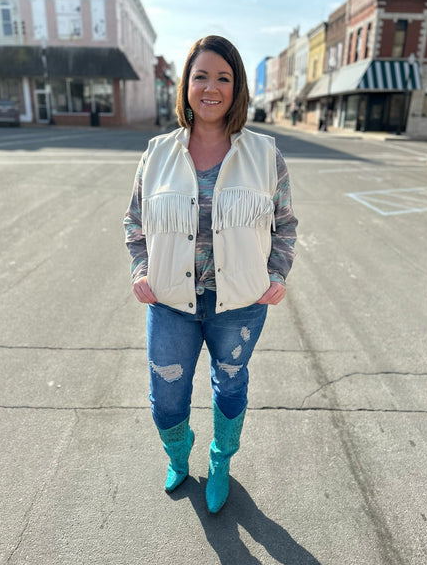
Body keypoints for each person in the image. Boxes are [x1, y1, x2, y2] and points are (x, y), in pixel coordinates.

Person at [123, 35, 298, 513]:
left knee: (230, 384)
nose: (211, 87)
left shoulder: (265, 154)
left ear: (237, 88)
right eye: (201, 76)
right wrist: (141, 267)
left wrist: (277, 273)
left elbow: (284, 224)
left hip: (238, 303)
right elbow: (135, 221)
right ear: (186, 85)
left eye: (224, 77)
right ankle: (178, 454)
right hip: (169, 302)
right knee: (167, 398)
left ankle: (221, 461)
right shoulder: (157, 153)